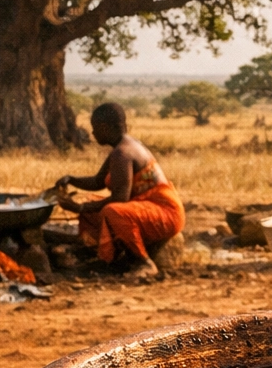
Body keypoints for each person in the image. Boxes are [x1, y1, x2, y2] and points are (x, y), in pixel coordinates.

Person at [56, 103, 185, 280]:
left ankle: (143, 262)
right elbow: (97, 181)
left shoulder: (123, 153)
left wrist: (79, 208)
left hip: (166, 213)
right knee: (93, 206)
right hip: (147, 209)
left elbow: (120, 200)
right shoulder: (121, 148)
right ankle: (109, 254)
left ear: (104, 128)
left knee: (112, 211)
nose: (93, 134)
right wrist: (71, 179)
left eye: (95, 129)